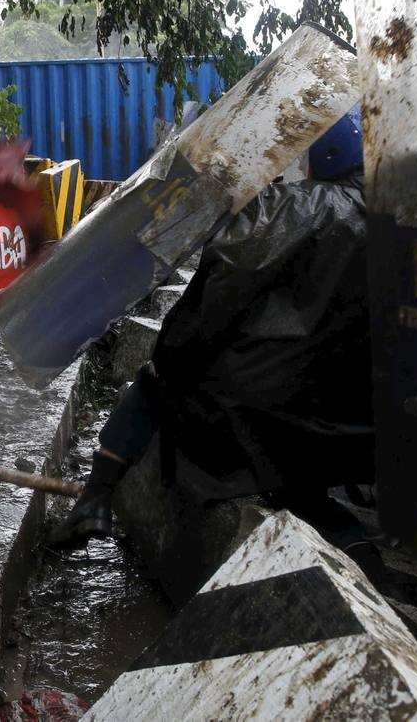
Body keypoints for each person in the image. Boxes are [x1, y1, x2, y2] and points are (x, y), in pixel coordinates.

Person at [49, 107, 372, 550]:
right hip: (343, 426)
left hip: (254, 413)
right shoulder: (400, 219)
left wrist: (169, 355)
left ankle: (95, 498)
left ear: (326, 155)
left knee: (156, 378)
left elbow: (213, 304)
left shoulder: (290, 208)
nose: (299, 164)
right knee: (301, 481)